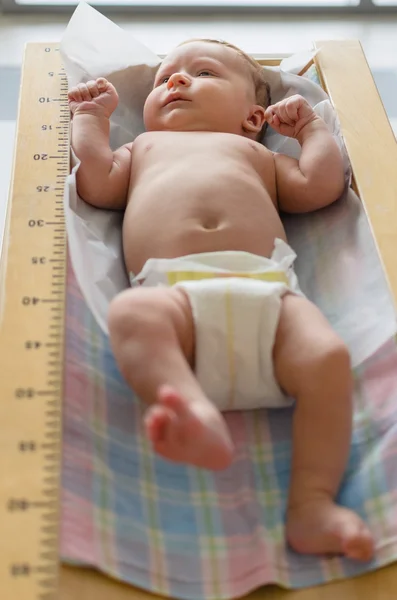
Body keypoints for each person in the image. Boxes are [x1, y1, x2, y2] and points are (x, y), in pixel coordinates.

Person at [68, 38, 374, 561]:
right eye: (165, 78)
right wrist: (91, 122)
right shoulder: (141, 149)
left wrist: (311, 130)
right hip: (173, 291)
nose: (176, 81)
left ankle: (312, 505)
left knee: (327, 358)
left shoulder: (257, 155)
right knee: (132, 314)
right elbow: (96, 182)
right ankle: (186, 404)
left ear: (254, 116)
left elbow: (321, 185)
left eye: (202, 73)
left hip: (269, 291)